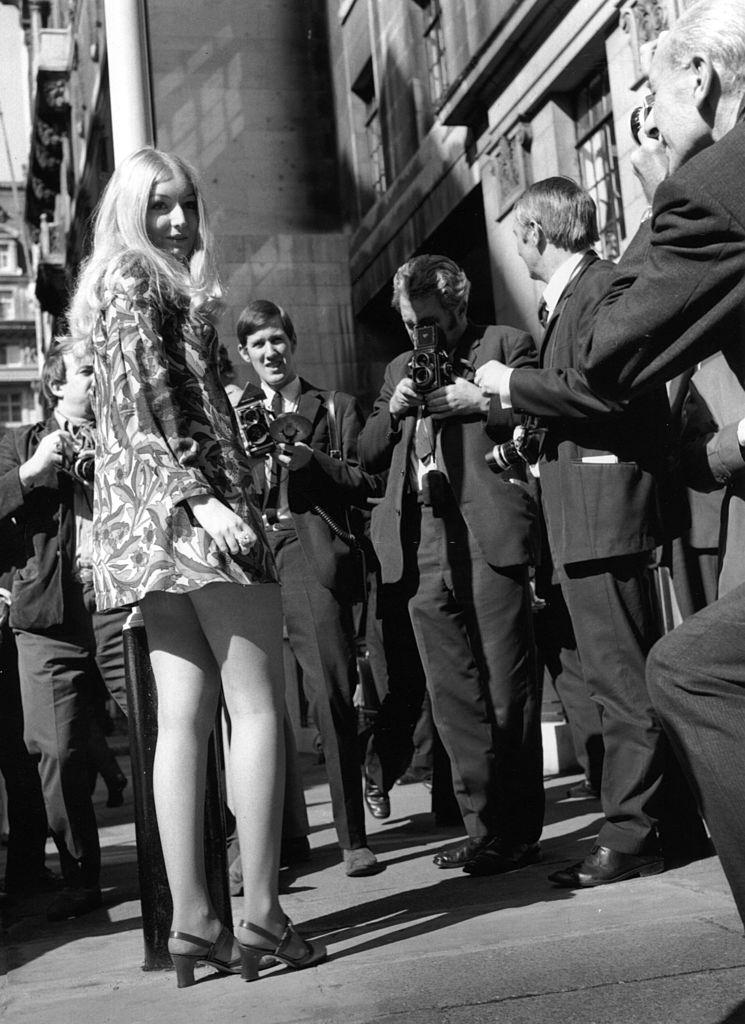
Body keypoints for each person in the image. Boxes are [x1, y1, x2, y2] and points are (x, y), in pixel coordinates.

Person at [68, 147, 324, 984]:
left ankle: (193, 921)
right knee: (255, 707)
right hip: (192, 509)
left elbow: (108, 416)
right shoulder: (146, 282)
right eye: (161, 205)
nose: (178, 220)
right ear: (132, 210)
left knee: (180, 718)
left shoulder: (109, 284)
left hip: (142, 524)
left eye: (186, 203)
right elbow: (162, 394)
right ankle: (261, 916)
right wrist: (202, 495)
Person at [541, 0, 745, 925]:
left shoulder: (711, 187)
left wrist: (659, 186)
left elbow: (608, 352)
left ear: (698, 78)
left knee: (689, 670)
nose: (648, 124)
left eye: (649, 102)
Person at [475, 177, 708, 886]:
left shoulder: (601, 287)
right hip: (585, 515)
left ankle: (634, 836)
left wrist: (506, 385)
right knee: (613, 679)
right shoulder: (577, 295)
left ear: (536, 235)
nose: (514, 248)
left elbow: (604, 388)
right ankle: (659, 825)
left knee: (620, 682)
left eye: (516, 234)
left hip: (605, 515)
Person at [358, 254, 544, 876]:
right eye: (411, 325)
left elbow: (542, 418)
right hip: (422, 539)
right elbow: (364, 451)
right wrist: (395, 409)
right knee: (452, 696)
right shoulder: (397, 369)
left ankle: (517, 830)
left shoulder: (504, 344)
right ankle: (482, 828)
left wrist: (480, 402)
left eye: (431, 323)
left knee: (505, 686)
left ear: (460, 309)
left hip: (486, 530)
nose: (421, 337)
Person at [235, 299, 383, 878]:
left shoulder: (336, 405)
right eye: (258, 345)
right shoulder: (231, 414)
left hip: (309, 553)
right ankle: (269, 847)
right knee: (253, 704)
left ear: (292, 342)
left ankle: (352, 839)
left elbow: (366, 480)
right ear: (245, 356)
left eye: (277, 340)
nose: (270, 352)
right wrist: (259, 475)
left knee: (328, 690)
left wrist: (310, 463)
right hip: (246, 559)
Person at [0, 339, 129, 921]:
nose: (97, 377)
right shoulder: (16, 443)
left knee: (166, 725)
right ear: (56, 385)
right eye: (86, 369)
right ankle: (81, 878)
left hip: (118, 607)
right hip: (46, 620)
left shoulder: (125, 433)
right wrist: (32, 471)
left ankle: (204, 844)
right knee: (53, 751)